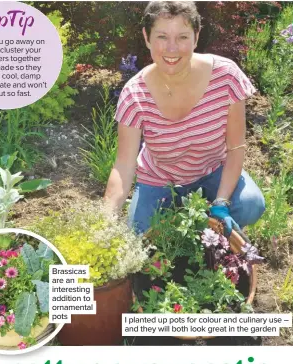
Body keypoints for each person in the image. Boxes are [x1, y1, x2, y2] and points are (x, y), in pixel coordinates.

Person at [104, 1, 265, 236]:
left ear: (196, 37)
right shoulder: (134, 93)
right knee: (139, 237)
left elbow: (235, 147)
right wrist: (106, 216)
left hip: (213, 170)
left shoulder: (225, 76)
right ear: (147, 38)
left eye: (182, 37)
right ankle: (184, 224)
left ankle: (211, 237)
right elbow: (124, 165)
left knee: (250, 204)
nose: (172, 48)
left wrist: (220, 202)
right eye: (161, 36)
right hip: (159, 180)